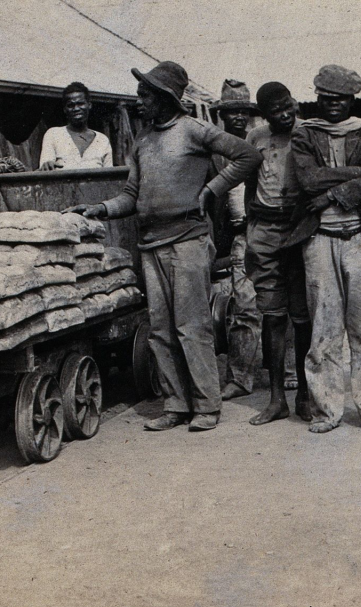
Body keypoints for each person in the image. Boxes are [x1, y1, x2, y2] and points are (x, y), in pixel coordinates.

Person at [65, 61, 258, 432]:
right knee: (160, 329)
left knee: (192, 326)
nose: (139, 102)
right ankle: (175, 404)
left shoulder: (195, 131)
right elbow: (131, 195)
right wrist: (101, 209)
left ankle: (206, 405)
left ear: (166, 98)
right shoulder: (142, 142)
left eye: (145, 96)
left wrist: (211, 189)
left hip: (187, 241)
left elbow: (248, 157)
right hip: (150, 245)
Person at [290, 65, 361, 434]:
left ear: (352, 100)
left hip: (360, 239)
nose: (333, 105)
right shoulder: (304, 136)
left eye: (341, 99)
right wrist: (356, 173)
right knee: (324, 330)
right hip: (319, 241)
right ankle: (327, 411)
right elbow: (307, 179)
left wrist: (336, 194)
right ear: (317, 97)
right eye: (326, 98)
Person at [243, 81, 313, 425]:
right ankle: (275, 400)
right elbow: (246, 184)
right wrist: (251, 231)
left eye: (288, 106)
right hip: (265, 230)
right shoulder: (255, 139)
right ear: (264, 115)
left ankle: (303, 394)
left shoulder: (309, 132)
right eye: (276, 111)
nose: (285, 114)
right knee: (271, 315)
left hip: (299, 230)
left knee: (302, 316)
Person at [211, 79, 262, 401]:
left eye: (243, 111)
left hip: (267, 229)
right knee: (243, 304)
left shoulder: (261, 143)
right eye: (232, 112)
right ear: (222, 115)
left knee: (280, 304)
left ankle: (286, 372)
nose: (238, 117)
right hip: (238, 234)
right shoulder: (215, 151)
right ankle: (240, 377)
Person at [39, 83, 113, 170]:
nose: (76, 108)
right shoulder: (53, 134)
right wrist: (47, 165)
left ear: (89, 105)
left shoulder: (102, 140)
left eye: (80, 103)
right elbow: (45, 168)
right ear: (65, 109)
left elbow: (109, 177)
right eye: (71, 105)